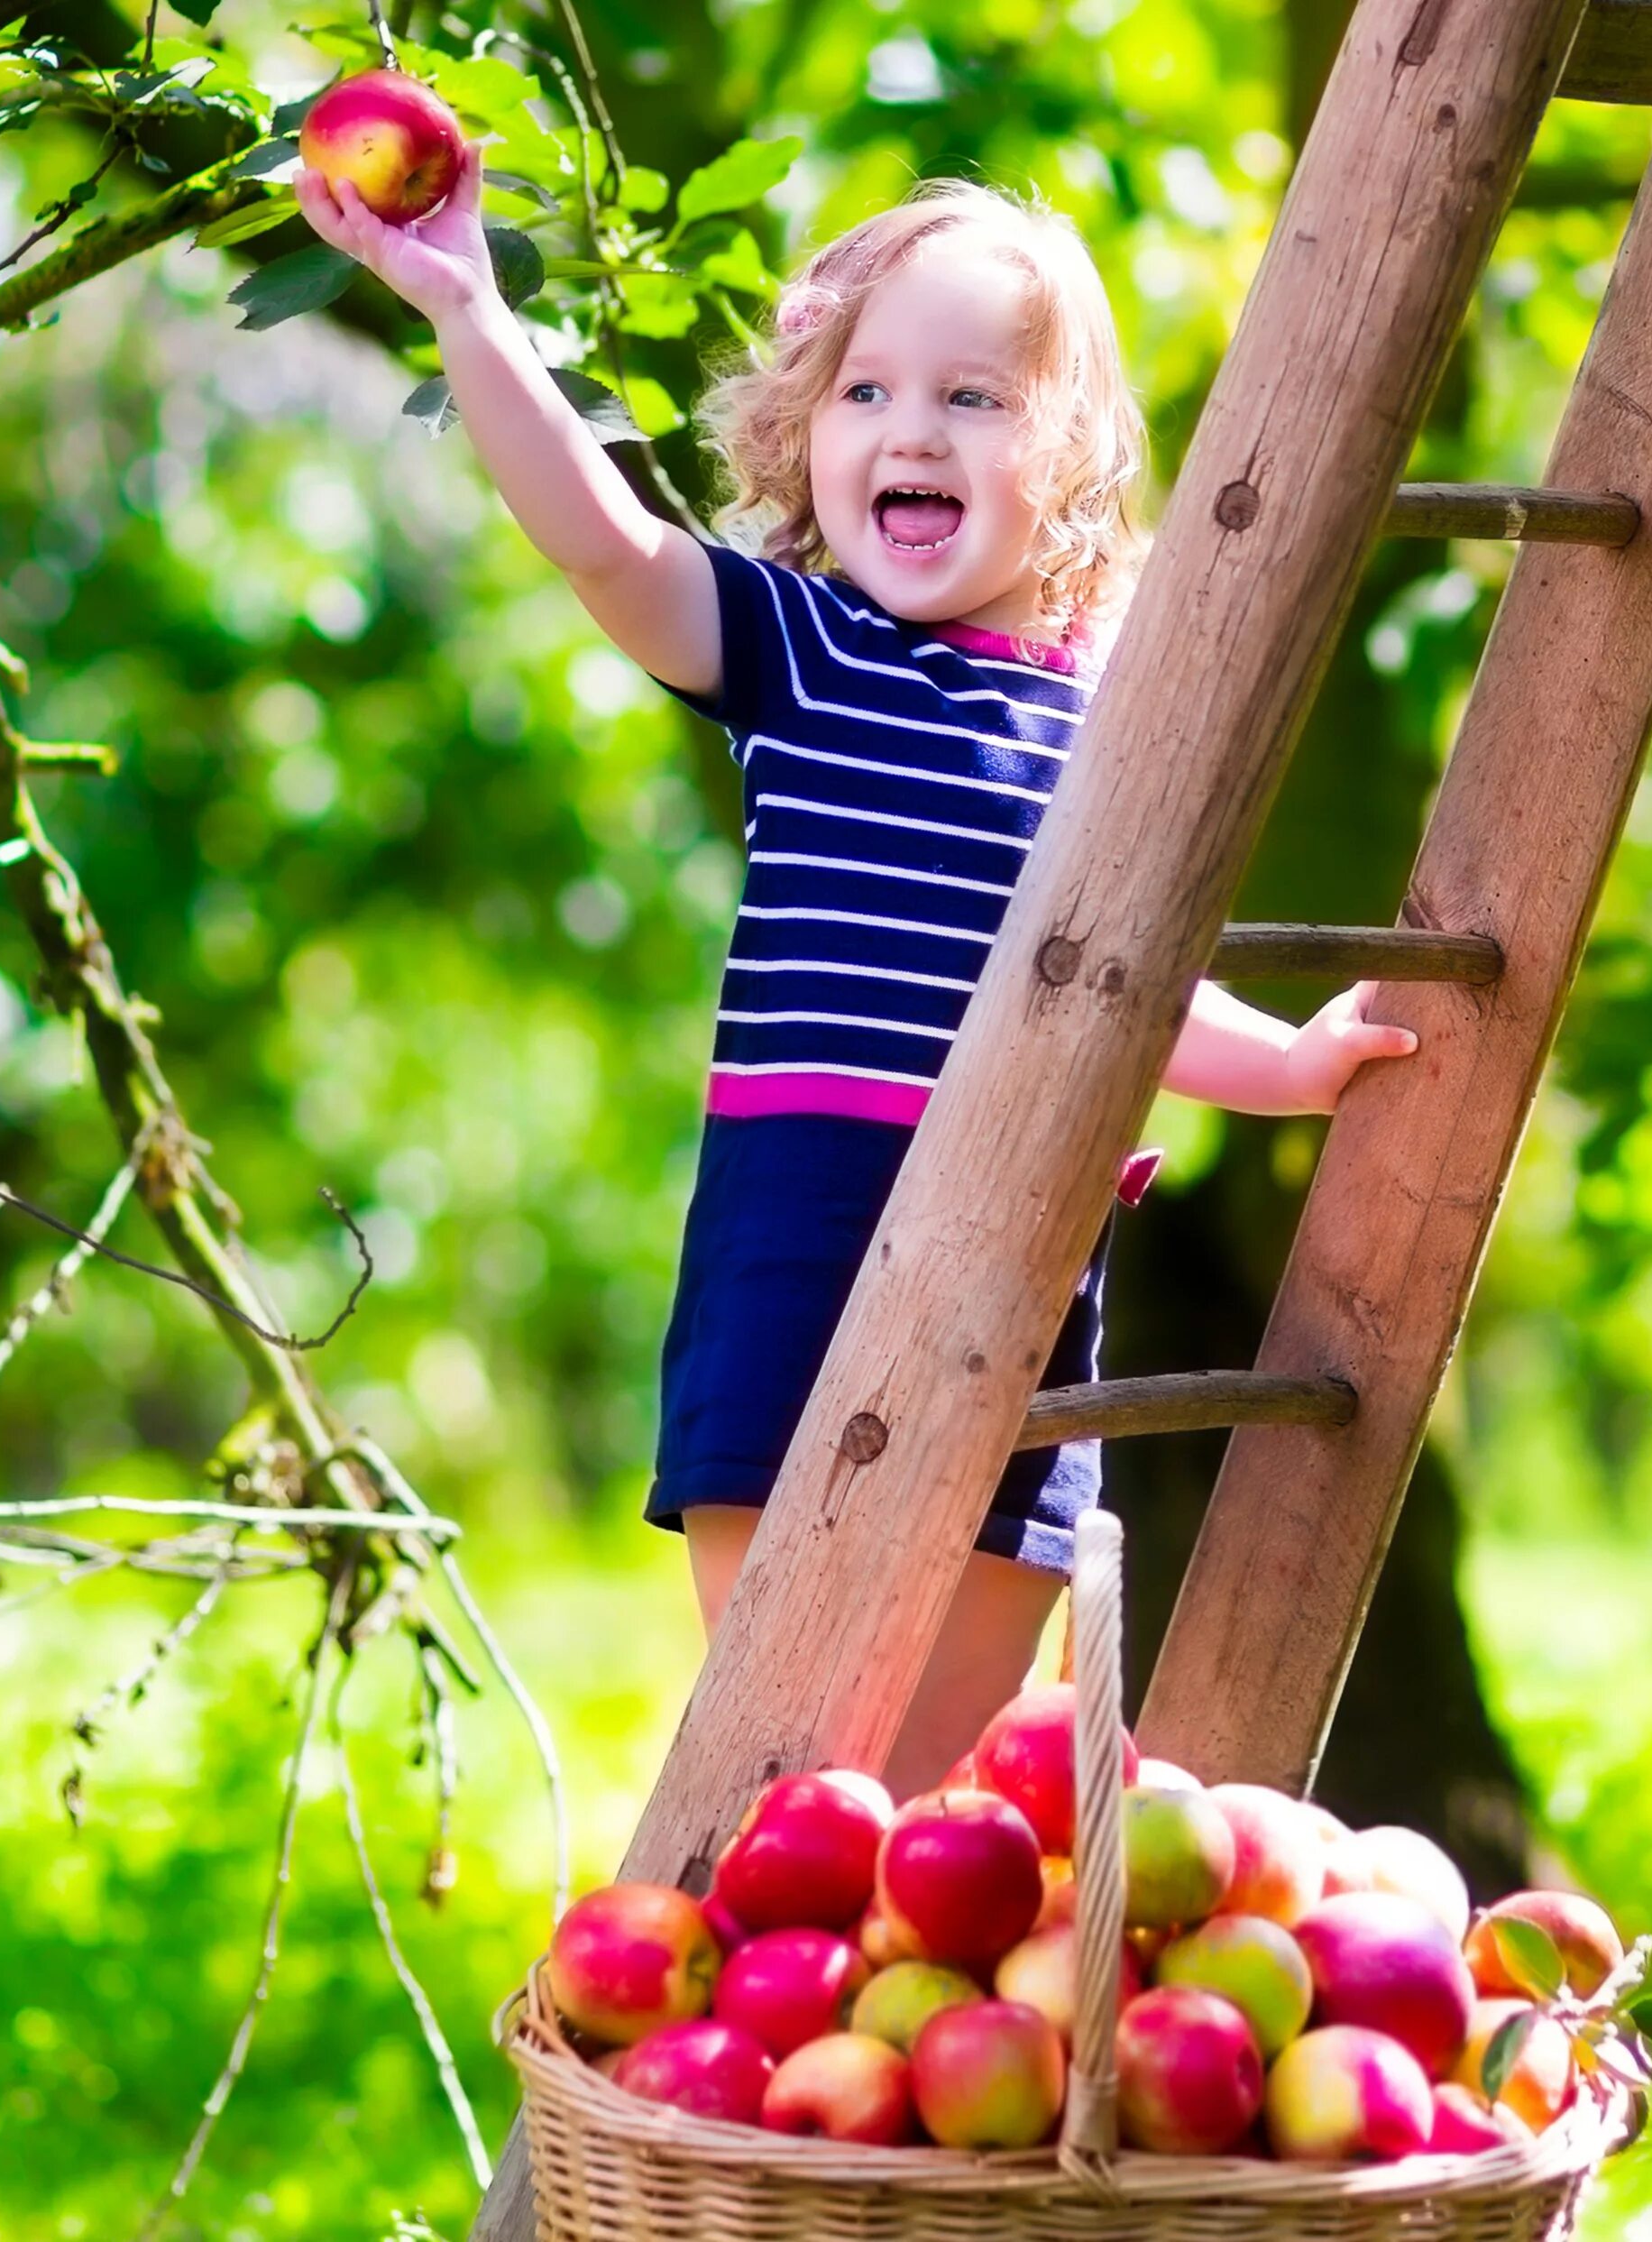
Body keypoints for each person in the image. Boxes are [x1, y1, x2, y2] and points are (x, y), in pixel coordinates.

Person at [299, 158, 1420, 1796]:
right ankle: (772, 1887)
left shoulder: (1105, 735)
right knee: (792, 1713)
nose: (913, 431)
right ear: (805, 444)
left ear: (1071, 465)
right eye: (868, 391)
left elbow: (1129, 989)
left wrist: (1298, 1066)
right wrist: (473, 308)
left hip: (1029, 1231)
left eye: (974, 397)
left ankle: (893, 1939)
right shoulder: (808, 652)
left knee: (948, 1722)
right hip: (808, 1204)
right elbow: (606, 546)